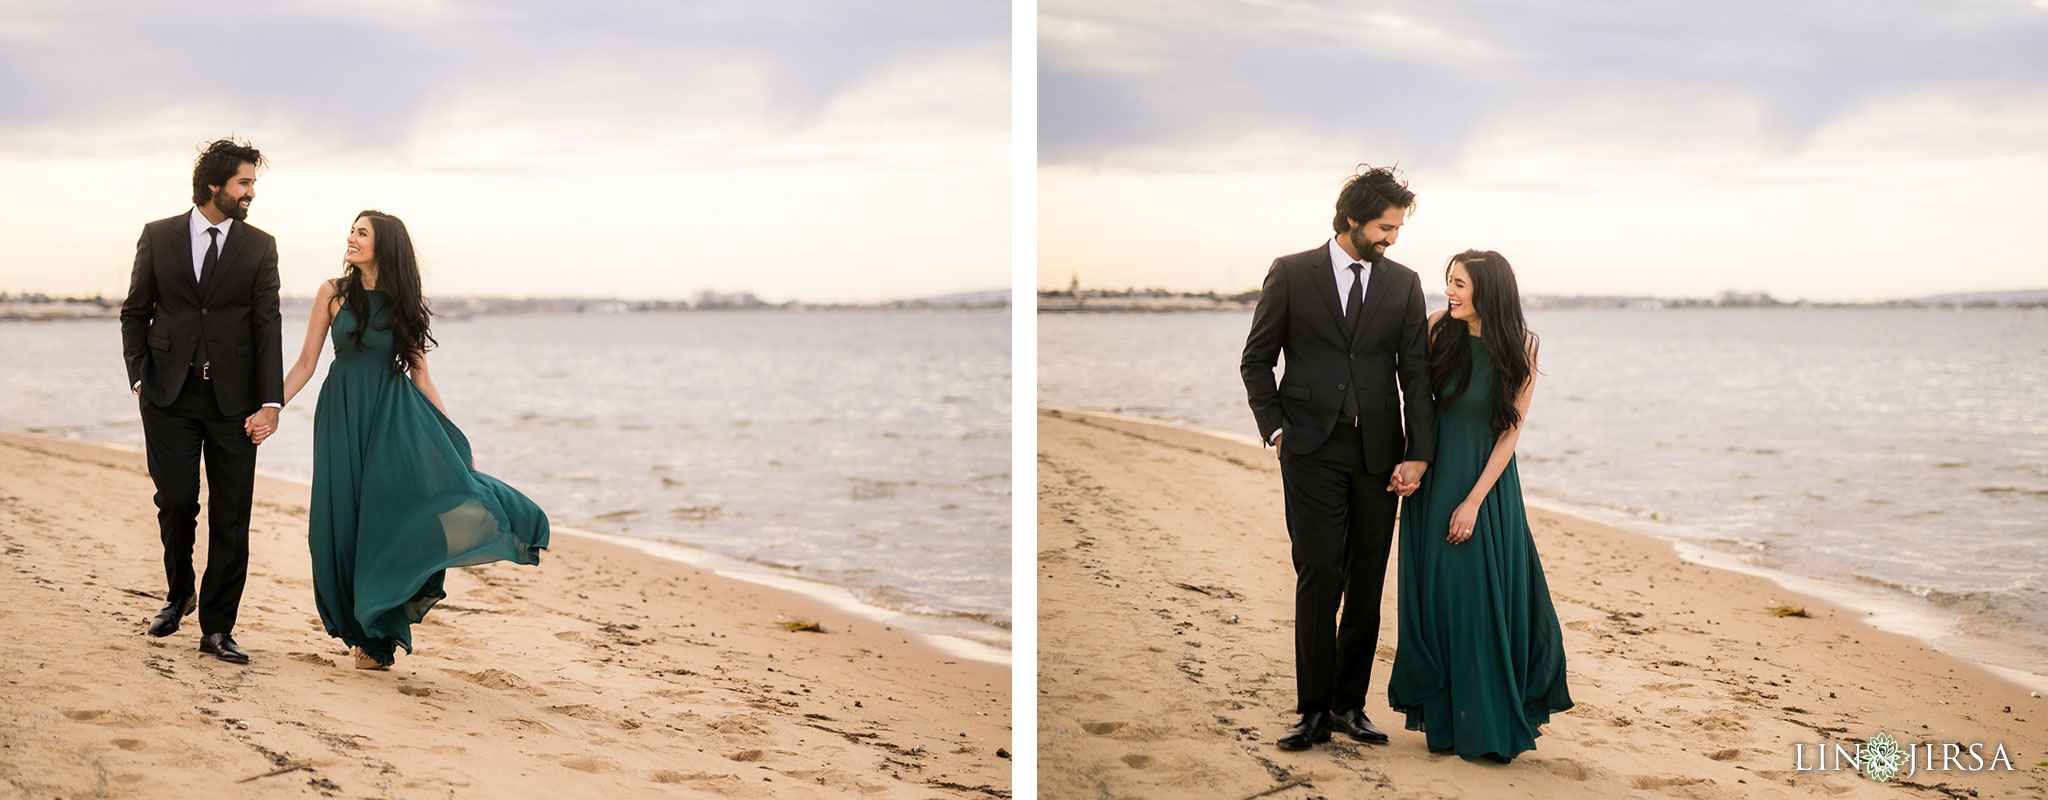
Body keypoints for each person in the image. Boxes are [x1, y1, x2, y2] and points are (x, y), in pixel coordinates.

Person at [266, 210, 549, 670]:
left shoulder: (403, 302)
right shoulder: (332, 293)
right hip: (339, 414)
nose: (352, 238)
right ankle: (357, 628)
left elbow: (420, 374)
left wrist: (452, 437)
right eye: (352, 231)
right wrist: (270, 407)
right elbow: (304, 365)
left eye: (362, 233)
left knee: (384, 521)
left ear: (385, 245)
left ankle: (376, 636)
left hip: (390, 418)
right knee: (335, 527)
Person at [1240, 165, 1436, 751]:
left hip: (1380, 453)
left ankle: (1351, 706)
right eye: (1384, 227)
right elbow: (1256, 360)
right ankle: (1313, 711)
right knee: (1320, 575)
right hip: (1310, 448)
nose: (1391, 239)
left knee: (1367, 580)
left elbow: (1415, 376)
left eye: (1397, 228)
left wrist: (1419, 455)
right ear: (1353, 219)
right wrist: (1274, 427)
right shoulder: (1292, 272)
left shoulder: (1403, 283)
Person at [1386, 250, 1572, 763]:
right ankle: (1445, 724)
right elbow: (1415, 401)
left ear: (1486, 290)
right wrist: (1411, 461)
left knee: (1482, 603)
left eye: (1459, 283)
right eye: (1448, 280)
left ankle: (1487, 722)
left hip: (1485, 488)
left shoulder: (1523, 346)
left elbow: (1511, 433)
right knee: (1442, 599)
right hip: (1434, 476)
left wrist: (1472, 501)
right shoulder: (1434, 330)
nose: (1448, 290)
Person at [120, 137, 282, 664]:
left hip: (235, 403)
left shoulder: (260, 246)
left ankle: (217, 628)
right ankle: (179, 593)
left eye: (253, 182)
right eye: (244, 182)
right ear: (214, 185)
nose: (251, 192)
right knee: (176, 502)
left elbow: (267, 326)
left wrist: (271, 402)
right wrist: (139, 377)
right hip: (169, 395)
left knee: (231, 515)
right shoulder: (158, 236)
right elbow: (134, 311)